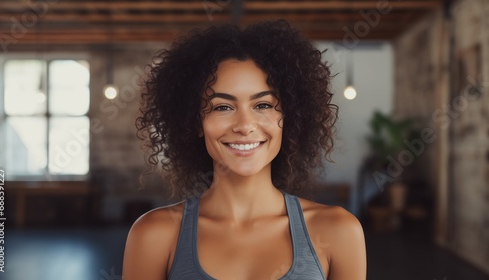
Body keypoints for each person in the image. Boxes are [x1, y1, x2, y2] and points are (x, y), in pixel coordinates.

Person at [123, 19, 366, 280]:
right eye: (222, 107)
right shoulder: (153, 235)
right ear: (195, 123)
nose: (245, 125)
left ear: (290, 117)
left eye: (263, 105)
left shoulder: (338, 231)